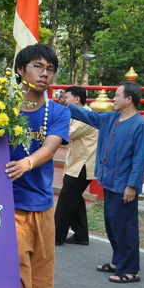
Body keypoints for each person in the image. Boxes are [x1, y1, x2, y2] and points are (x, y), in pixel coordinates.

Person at [3, 44, 70, 288]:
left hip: (43, 210)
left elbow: (51, 146)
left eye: (51, 69)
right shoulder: (1, 108)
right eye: (38, 66)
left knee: (36, 286)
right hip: (6, 210)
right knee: (16, 283)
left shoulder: (57, 112)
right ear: (20, 70)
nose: (45, 73)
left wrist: (27, 162)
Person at [69, 81, 144, 284]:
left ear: (129, 99)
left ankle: (130, 269)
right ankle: (117, 261)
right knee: (113, 225)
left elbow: (140, 158)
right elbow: (90, 116)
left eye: (117, 95)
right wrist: (66, 105)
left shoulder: (140, 125)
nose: (113, 99)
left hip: (124, 184)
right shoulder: (112, 118)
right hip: (109, 179)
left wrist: (132, 185)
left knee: (125, 227)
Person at [55, 86, 98, 246]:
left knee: (66, 199)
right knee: (75, 198)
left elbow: (66, 133)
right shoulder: (77, 114)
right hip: (76, 163)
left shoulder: (86, 116)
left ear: (76, 99)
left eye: (67, 97)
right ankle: (81, 235)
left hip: (83, 164)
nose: (64, 100)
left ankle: (56, 235)